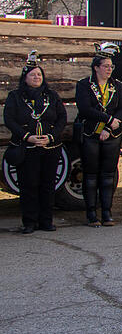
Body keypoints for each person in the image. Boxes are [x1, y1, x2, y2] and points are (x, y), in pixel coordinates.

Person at [3, 52, 67, 233]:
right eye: (33, 75)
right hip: (27, 147)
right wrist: (27, 137)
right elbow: (10, 120)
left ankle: (46, 221)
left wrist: (51, 136)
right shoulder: (15, 97)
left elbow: (61, 118)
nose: (36, 77)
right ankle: (29, 222)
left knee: (47, 185)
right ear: (25, 78)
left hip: (50, 147)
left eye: (39, 74)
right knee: (28, 185)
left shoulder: (52, 96)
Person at [75, 43, 122, 227]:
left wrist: (110, 126)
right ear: (96, 67)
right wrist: (107, 118)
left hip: (111, 135)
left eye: (111, 66)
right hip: (90, 133)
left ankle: (107, 212)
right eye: (105, 66)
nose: (109, 69)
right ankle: (91, 213)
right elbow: (85, 109)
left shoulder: (117, 86)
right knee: (90, 175)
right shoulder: (84, 85)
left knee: (108, 175)